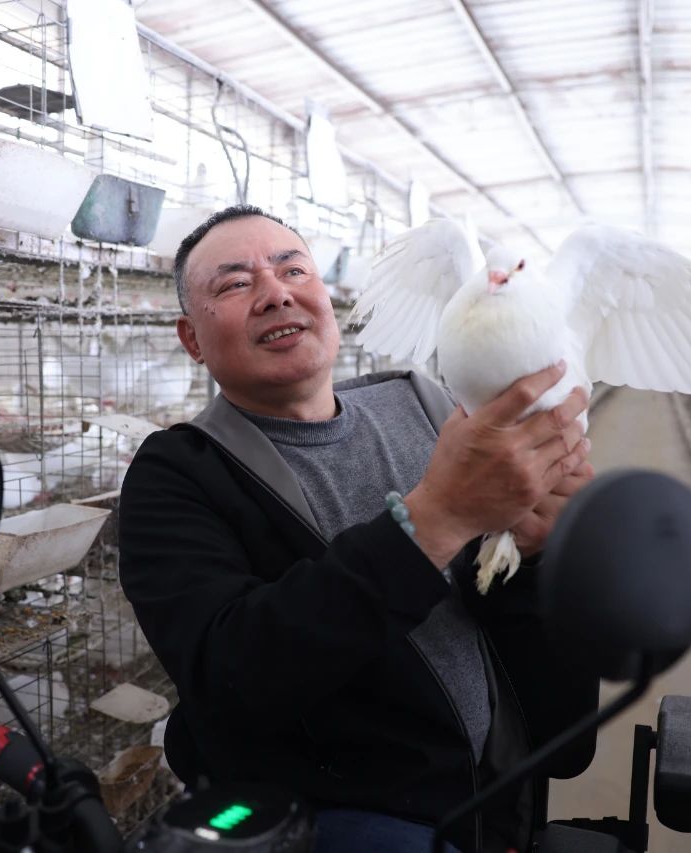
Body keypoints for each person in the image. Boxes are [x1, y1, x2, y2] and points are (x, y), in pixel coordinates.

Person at [117, 204, 597, 853]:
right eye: (235, 283)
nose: (276, 292)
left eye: (294, 269)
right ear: (192, 338)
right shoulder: (181, 473)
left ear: (327, 299)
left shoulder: (433, 407)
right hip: (337, 821)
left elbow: (550, 710)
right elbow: (231, 674)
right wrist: (439, 518)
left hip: (495, 802)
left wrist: (534, 556)